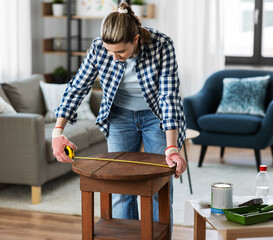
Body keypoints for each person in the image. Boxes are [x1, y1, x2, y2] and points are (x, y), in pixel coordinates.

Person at [51, 2, 187, 234]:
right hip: (120, 116)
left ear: (135, 39)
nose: (114, 58)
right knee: (120, 187)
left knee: (158, 186)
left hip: (156, 116)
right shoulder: (97, 48)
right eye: (109, 51)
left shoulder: (161, 45)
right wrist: (58, 131)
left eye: (120, 52)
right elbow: (77, 88)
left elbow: (168, 96)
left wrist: (172, 147)